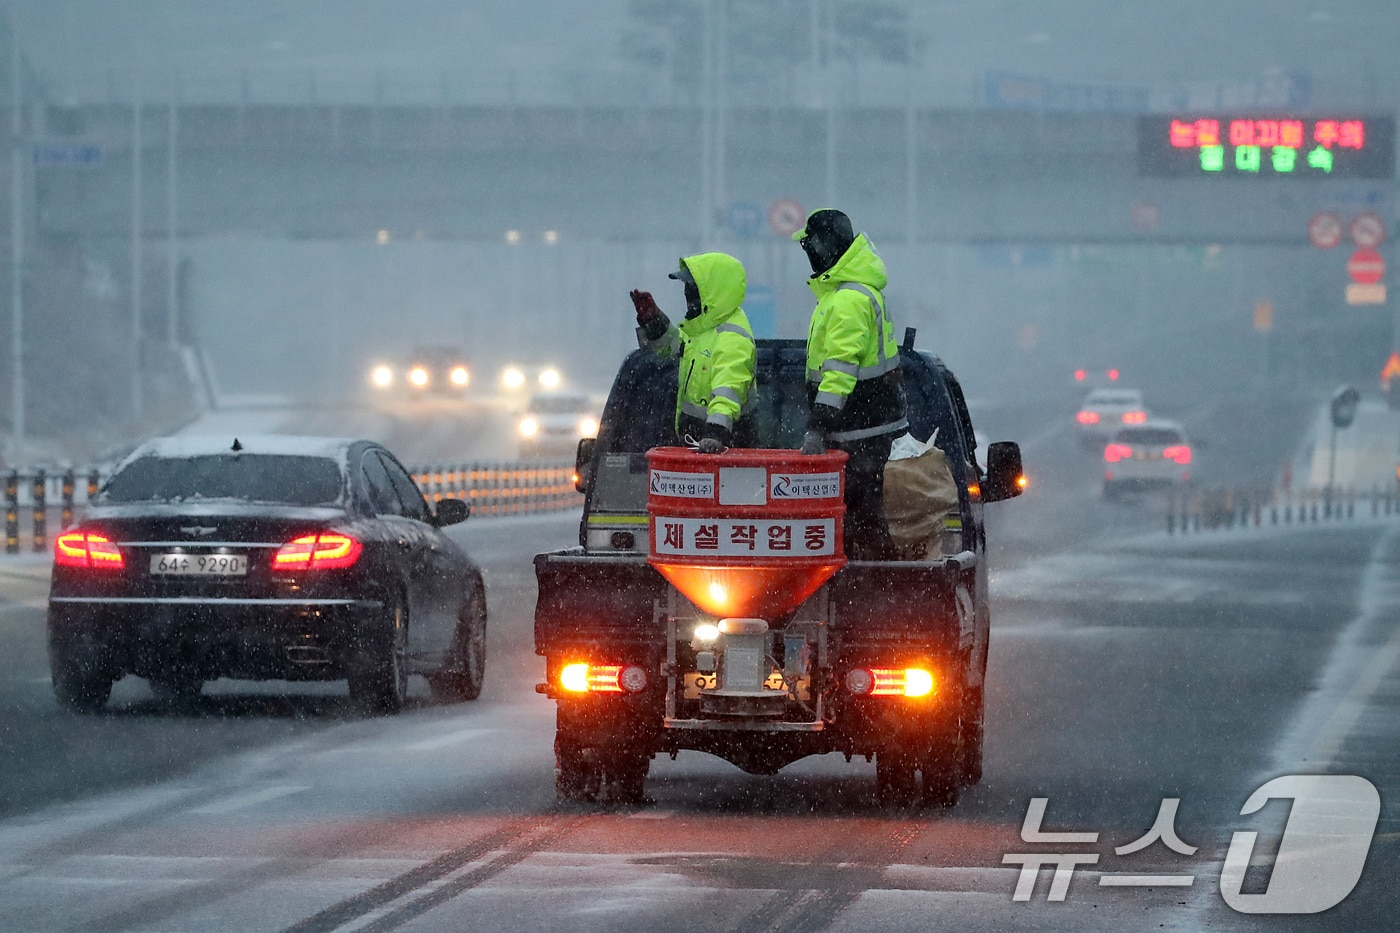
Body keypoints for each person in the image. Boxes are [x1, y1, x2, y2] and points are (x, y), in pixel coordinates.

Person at [793, 209, 907, 559]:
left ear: (826, 246)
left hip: (860, 435)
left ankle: (871, 590)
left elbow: (839, 372)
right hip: (868, 431)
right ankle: (878, 589)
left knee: (859, 524)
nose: (808, 252)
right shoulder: (847, 294)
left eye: (810, 244)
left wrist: (818, 426)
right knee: (865, 523)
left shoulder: (847, 301)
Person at [629, 252, 756, 454]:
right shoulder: (702, 332)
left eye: (692, 286)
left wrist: (715, 432)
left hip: (725, 454)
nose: (687, 292)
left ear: (712, 290)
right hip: (699, 449)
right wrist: (653, 321)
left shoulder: (732, 337)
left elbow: (729, 389)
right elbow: (672, 348)